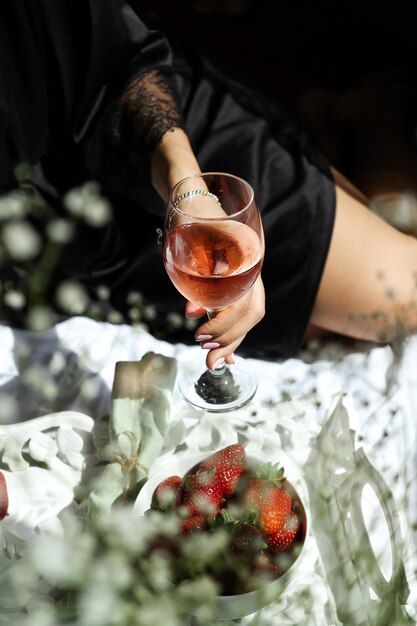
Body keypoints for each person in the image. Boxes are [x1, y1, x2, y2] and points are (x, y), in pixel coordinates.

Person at [1, 0, 417, 371]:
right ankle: (330, 132)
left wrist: (189, 192)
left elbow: (112, 58)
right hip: (56, 246)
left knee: (402, 300)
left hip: (147, 134)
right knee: (316, 335)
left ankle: (373, 114)